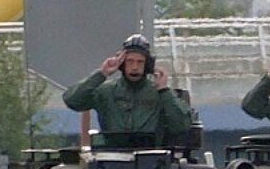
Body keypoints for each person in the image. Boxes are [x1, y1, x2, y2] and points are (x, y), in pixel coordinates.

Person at [63, 34, 191, 147]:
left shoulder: (160, 94)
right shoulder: (106, 92)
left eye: (140, 62)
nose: (135, 67)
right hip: (112, 157)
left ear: (147, 65)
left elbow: (181, 126)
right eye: (130, 61)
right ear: (122, 63)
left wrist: (164, 91)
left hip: (150, 158)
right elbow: (72, 100)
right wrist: (101, 74)